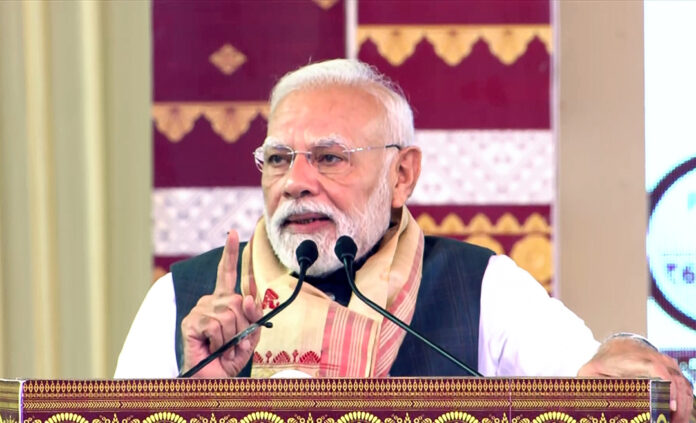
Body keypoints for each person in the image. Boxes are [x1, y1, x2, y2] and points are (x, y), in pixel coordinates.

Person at [115, 59, 693, 423]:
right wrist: (201, 404)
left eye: (329, 158)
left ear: (402, 175)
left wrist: (629, 351)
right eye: (279, 158)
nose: (295, 182)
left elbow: (593, 374)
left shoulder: (479, 287)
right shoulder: (181, 303)